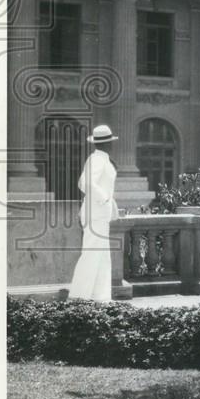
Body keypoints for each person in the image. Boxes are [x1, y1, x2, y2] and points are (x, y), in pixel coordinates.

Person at [68, 124, 120, 301]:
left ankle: (100, 297)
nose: (112, 145)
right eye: (111, 142)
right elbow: (85, 182)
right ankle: (79, 297)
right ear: (108, 144)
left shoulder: (102, 159)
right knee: (91, 254)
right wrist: (104, 198)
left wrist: (110, 203)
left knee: (102, 256)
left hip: (99, 215)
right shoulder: (97, 159)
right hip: (96, 214)